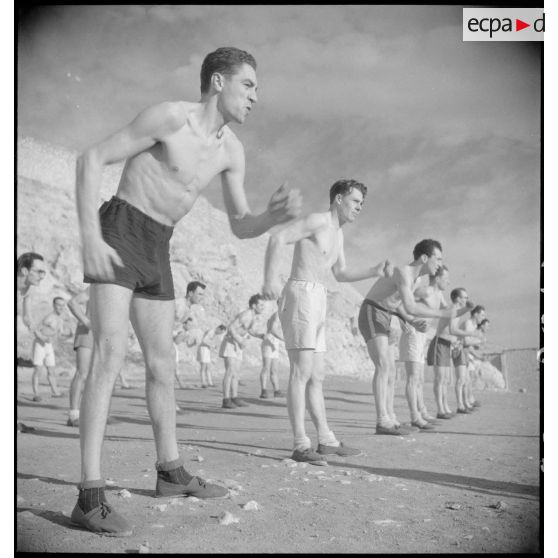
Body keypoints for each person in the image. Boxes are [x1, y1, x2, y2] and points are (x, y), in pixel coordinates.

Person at [73, 46, 302, 536]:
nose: (256, 97)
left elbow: (241, 225)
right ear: (218, 82)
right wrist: (89, 237)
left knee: (162, 364)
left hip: (159, 244)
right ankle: (90, 494)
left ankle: (170, 472)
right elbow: (91, 158)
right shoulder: (169, 118)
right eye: (249, 85)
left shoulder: (230, 151)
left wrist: (271, 217)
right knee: (109, 354)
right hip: (120, 228)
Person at [263, 178, 392, 465]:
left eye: (361, 203)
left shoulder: (339, 235)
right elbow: (278, 238)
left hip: (319, 297)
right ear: (338, 199)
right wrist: (270, 279)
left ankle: (326, 440)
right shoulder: (317, 221)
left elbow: (341, 273)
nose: (359, 207)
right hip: (300, 292)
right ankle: (300, 443)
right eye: (356, 201)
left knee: (317, 374)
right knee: (301, 371)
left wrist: (373, 270)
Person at [358, 239, 456, 436]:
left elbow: (400, 305)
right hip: (372, 311)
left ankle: (391, 419)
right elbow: (410, 306)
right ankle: (382, 421)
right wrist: (441, 314)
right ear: (424, 257)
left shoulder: (416, 279)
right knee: (384, 365)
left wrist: (411, 321)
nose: (439, 264)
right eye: (438, 259)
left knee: (391, 369)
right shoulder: (404, 272)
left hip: (386, 314)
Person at [67, 287, 130, 427]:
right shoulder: (97, 286)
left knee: (104, 375)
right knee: (82, 373)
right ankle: (73, 415)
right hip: (88, 333)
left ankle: (100, 415)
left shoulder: (121, 289)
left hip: (106, 336)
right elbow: (72, 302)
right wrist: (87, 322)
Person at [425, 287, 482, 417]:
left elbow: (452, 332)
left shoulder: (457, 312)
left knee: (445, 379)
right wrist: (471, 333)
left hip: (447, 344)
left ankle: (445, 408)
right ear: (458, 298)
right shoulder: (453, 309)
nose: (467, 299)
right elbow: (452, 330)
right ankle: (440, 409)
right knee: (440, 379)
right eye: (465, 297)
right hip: (439, 343)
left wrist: (456, 341)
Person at [219, 294, 266, 408]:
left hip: (238, 344)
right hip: (230, 342)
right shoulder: (246, 314)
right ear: (254, 306)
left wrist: (260, 336)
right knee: (230, 371)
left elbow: (249, 330)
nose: (262, 307)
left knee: (236, 373)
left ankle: (234, 398)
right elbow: (230, 328)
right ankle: (226, 399)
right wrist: (240, 340)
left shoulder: (253, 317)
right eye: (260, 305)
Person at [31, 297, 71, 401]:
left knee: (51, 370)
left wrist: (69, 335)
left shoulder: (60, 319)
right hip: (40, 345)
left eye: (63, 305)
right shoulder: (49, 317)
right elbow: (36, 329)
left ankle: (55, 392)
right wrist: (42, 338)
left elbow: (60, 335)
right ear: (54, 305)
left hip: (49, 346)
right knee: (38, 370)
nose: (61, 307)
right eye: (59, 305)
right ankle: (36, 394)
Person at [462, 305, 487, 408]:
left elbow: (469, 344)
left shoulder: (472, 325)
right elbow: (466, 341)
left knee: (467, 379)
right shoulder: (468, 323)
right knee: (464, 380)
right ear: (475, 314)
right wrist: (479, 341)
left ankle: (469, 401)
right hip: (460, 351)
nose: (483, 317)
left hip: (466, 352)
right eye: (482, 314)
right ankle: (465, 403)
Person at [259, 311, 285, 399]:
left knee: (274, 369)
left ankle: (277, 391)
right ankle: (263, 390)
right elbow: (273, 330)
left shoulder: (282, 314)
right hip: (269, 341)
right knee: (266, 367)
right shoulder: (277, 314)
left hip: (274, 342)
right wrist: (283, 339)